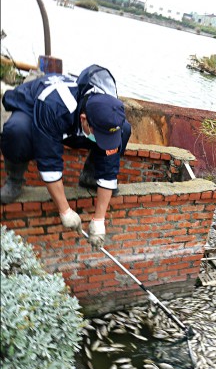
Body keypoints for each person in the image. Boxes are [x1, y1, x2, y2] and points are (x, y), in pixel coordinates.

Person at [0, 64, 131, 248]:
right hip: (34, 108)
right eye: (99, 135)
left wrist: (99, 219)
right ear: (84, 120)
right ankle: (15, 180)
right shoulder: (54, 105)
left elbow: (110, 168)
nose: (103, 140)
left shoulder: (108, 108)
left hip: (74, 123)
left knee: (124, 130)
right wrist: (65, 211)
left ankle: (90, 177)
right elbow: (49, 160)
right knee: (17, 131)